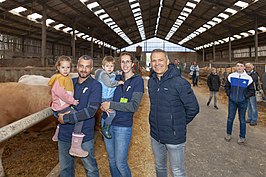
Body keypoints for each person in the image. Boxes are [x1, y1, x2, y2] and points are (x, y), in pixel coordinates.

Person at [148, 49, 199, 177]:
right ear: (151, 63)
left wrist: (177, 123)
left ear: (167, 61)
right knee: (160, 167)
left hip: (174, 138)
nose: (157, 63)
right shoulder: (151, 82)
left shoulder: (179, 82)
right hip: (155, 135)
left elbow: (193, 108)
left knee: (177, 171)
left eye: (160, 60)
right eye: (154, 60)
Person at [57, 55, 102, 177]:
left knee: (90, 167)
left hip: (84, 134)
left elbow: (91, 111)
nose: (84, 69)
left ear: (91, 68)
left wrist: (66, 118)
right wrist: (57, 114)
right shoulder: (69, 83)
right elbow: (57, 103)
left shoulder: (96, 85)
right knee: (65, 168)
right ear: (77, 67)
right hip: (65, 133)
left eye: (87, 67)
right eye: (81, 66)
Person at [101, 52, 144, 177]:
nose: (125, 64)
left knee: (120, 163)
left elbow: (133, 106)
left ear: (132, 64)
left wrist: (111, 105)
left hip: (122, 126)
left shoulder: (138, 81)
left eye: (127, 61)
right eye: (122, 62)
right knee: (112, 161)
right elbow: (103, 91)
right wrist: (101, 104)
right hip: (106, 121)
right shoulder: (115, 78)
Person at [48, 55, 89, 157]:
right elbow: (63, 94)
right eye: (63, 67)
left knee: (65, 118)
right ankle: (75, 147)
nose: (66, 70)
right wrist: (73, 101)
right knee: (79, 119)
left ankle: (57, 135)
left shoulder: (65, 78)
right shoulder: (60, 79)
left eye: (68, 67)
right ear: (58, 67)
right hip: (62, 106)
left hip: (62, 106)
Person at [224, 61, 254, 145]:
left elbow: (252, 91)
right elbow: (226, 86)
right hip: (232, 101)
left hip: (243, 102)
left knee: (242, 119)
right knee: (230, 118)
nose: (239, 67)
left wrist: (245, 97)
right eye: (237, 66)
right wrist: (229, 94)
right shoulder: (231, 76)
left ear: (244, 67)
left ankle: (242, 137)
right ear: (235, 67)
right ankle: (228, 134)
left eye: (241, 66)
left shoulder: (248, 78)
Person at [95, 56, 124, 139]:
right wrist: (119, 82)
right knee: (112, 113)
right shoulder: (104, 75)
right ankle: (105, 129)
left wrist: (119, 72)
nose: (109, 68)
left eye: (111, 66)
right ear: (103, 67)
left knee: (109, 112)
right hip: (104, 98)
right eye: (107, 66)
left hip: (110, 97)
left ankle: (101, 121)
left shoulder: (111, 73)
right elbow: (109, 84)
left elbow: (115, 73)